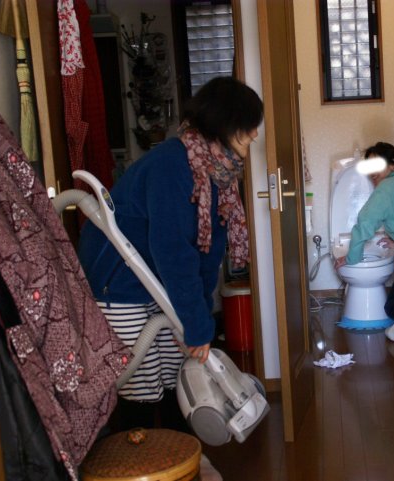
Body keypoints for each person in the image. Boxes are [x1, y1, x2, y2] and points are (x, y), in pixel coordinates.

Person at [78, 76, 262, 430]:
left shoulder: (217, 175)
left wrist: (199, 320)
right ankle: (142, 455)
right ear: (225, 122)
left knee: (173, 376)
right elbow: (173, 250)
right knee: (141, 387)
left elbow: (208, 254)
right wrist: (196, 327)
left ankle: (181, 453)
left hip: (157, 281)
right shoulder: (171, 165)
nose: (255, 134)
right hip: (120, 284)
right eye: (249, 125)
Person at [334, 141, 394, 347]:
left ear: (392, 164)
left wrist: (351, 258)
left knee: (393, 306)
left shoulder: (386, 188)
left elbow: (365, 223)